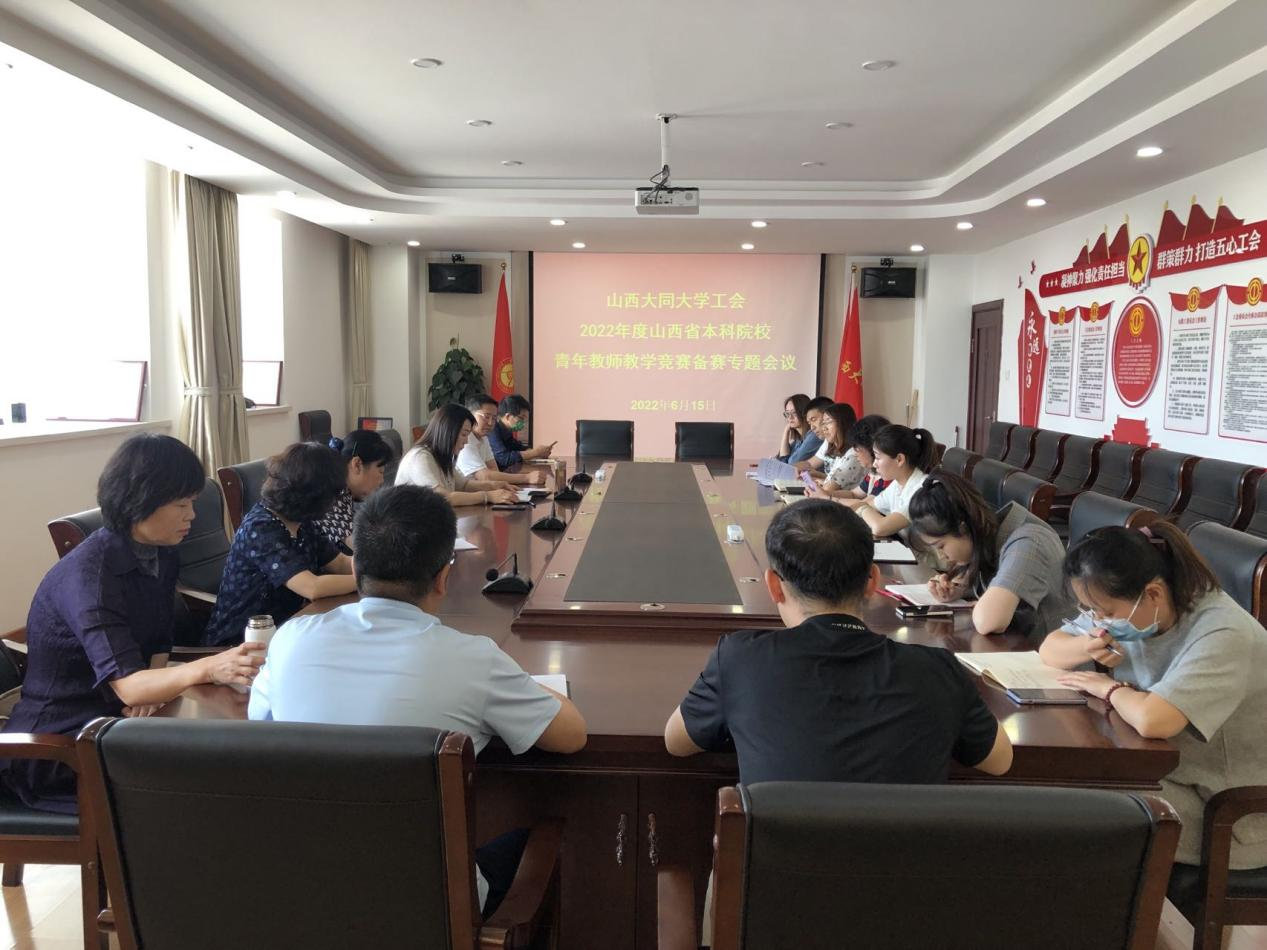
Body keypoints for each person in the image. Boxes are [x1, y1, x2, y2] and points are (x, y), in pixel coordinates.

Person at [249, 483, 588, 915]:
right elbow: (571, 735)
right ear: (443, 577)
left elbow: (259, 723)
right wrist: (518, 680)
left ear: (356, 569)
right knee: (532, 838)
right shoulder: (471, 660)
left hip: (300, 897)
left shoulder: (290, 640)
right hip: (431, 910)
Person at [0, 434, 263, 813]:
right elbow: (127, 686)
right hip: (59, 747)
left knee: (221, 763)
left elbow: (157, 643)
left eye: (192, 502)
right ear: (140, 500)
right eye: (181, 504)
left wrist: (150, 691)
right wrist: (205, 668)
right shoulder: (91, 577)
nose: (191, 514)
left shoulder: (161, 554)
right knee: (200, 784)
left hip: (115, 724)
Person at [664, 499, 1012, 784]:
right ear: (871, 580)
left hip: (779, 854)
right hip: (905, 853)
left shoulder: (739, 660)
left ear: (773, 586)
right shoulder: (937, 671)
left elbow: (676, 741)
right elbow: (1000, 761)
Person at [1039, 523, 1267, 874]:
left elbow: (1154, 720)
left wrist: (1109, 689)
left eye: (1105, 612)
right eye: (1090, 611)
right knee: (1055, 786)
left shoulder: (1223, 632)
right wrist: (1087, 645)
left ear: (1154, 593)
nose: (1099, 620)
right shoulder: (1136, 606)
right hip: (1160, 769)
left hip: (1229, 812)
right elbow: (1050, 649)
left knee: (1076, 807)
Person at [204, 443, 357, 645]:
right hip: (240, 644)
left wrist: (382, 569)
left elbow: (340, 563)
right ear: (313, 494)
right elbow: (312, 587)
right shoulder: (260, 527)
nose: (335, 502)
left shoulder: (303, 523)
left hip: (287, 631)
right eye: (333, 495)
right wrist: (368, 581)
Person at [908, 471, 1073, 643]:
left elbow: (989, 622)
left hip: (1047, 655)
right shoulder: (990, 537)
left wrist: (983, 606)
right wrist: (960, 589)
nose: (941, 556)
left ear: (963, 527)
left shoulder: (1029, 543)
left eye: (940, 546)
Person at [396, 404, 519, 506]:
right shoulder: (420, 457)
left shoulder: (440, 455)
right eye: (464, 434)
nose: (466, 441)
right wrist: (487, 496)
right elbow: (444, 498)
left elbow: (464, 485)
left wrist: (494, 485)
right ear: (448, 431)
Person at [840, 424, 938, 538]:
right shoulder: (897, 484)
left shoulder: (922, 489)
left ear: (899, 459)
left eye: (877, 457)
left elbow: (880, 528)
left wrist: (862, 508)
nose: (874, 464)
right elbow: (869, 504)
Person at [315, 429, 393, 552]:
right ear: (357, 464)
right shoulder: (331, 498)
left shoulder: (339, 490)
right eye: (380, 471)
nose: (382, 480)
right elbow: (365, 549)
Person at [457, 393, 546, 487]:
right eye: (486, 417)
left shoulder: (483, 438)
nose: (490, 423)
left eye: (494, 418)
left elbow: (493, 469)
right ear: (470, 415)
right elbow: (485, 476)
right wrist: (527, 478)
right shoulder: (465, 440)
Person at [803, 403, 865, 497]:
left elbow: (827, 489)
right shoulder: (839, 452)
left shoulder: (853, 455)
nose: (824, 428)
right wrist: (820, 479)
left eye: (828, 422)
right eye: (823, 423)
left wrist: (820, 484)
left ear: (842, 424)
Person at [488, 394, 555, 471]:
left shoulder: (507, 430)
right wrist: (535, 452)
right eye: (521, 418)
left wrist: (539, 452)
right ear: (508, 416)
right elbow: (504, 458)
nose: (523, 423)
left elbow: (517, 447)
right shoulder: (492, 429)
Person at [791, 396, 836, 473]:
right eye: (809, 423)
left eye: (814, 419)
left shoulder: (851, 446)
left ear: (828, 416)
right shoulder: (828, 442)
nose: (812, 428)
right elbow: (809, 464)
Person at [777, 394, 818, 463]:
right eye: (787, 413)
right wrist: (786, 432)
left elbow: (792, 462)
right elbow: (781, 461)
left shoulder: (814, 435)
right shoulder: (798, 440)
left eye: (794, 412)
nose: (790, 417)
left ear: (804, 413)